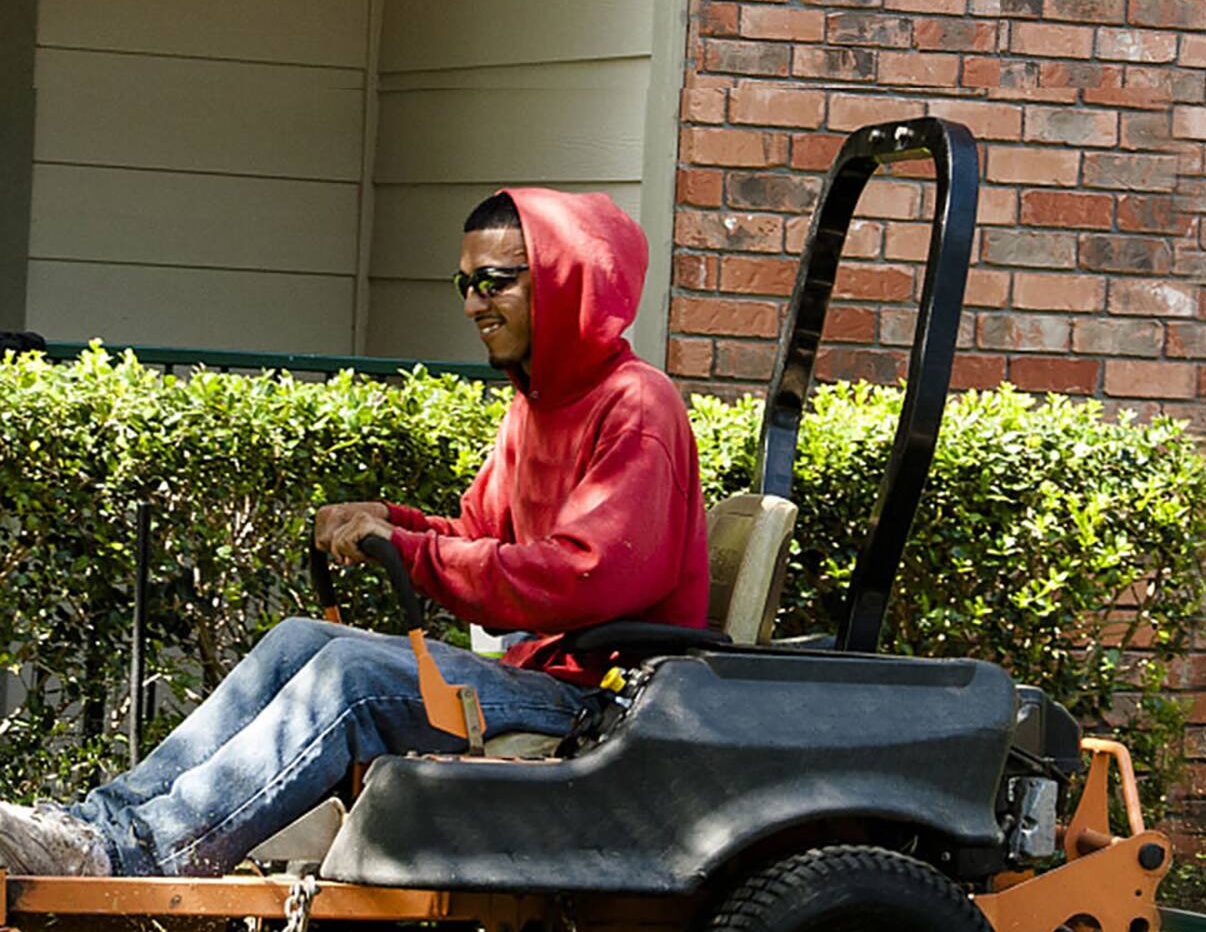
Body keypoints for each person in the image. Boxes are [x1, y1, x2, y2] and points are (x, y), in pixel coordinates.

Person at [0, 190, 707, 879]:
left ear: (562, 281)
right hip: (535, 675)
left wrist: (412, 550)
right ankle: (98, 825)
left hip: (598, 698)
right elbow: (474, 533)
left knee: (353, 677)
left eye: (493, 283)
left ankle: (144, 852)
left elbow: (585, 573)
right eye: (463, 284)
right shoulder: (536, 404)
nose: (472, 304)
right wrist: (389, 521)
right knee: (300, 641)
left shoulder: (637, 407)